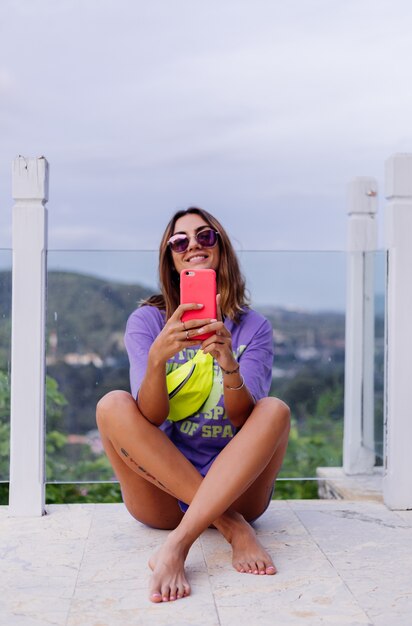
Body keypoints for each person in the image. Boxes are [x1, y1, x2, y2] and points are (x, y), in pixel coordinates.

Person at [96, 207, 290, 603]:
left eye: (205, 236)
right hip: (163, 493)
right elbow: (150, 417)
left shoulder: (254, 328)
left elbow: (242, 420)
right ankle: (233, 528)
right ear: (170, 258)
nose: (193, 246)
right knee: (113, 404)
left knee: (274, 410)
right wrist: (157, 359)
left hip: (235, 488)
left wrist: (229, 364)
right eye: (179, 241)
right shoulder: (148, 322)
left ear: (221, 248)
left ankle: (178, 545)